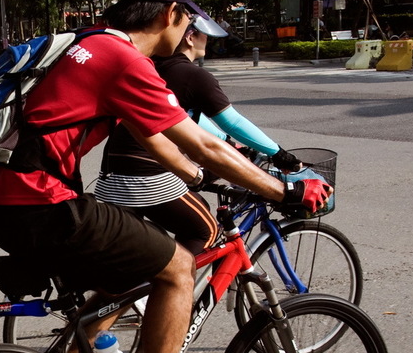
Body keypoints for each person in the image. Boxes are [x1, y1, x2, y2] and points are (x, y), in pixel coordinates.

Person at [0, 0, 330, 353]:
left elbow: (159, 138)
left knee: (122, 278)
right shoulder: (125, 60)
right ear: (170, 14)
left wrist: (197, 176)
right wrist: (285, 191)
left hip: (2, 204)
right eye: (188, 18)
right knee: (179, 267)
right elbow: (205, 142)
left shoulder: (90, 42)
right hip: (43, 206)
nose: (189, 31)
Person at [94, 16, 304, 257]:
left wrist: (230, 146)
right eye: (204, 35)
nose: (209, 41)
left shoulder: (153, 66)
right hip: (146, 177)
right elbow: (232, 122)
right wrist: (279, 154)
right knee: (206, 231)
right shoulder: (192, 76)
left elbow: (188, 121)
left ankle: (143, 288)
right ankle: (173, 288)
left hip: (112, 174)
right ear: (190, 37)